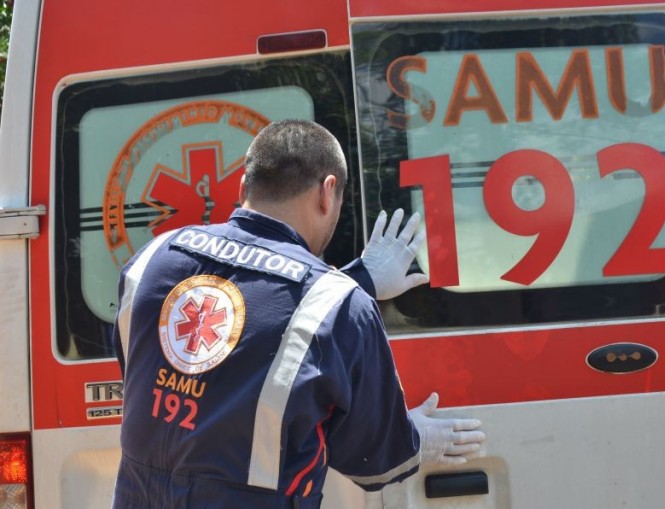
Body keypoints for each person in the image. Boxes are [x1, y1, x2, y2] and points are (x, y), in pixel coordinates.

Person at [111, 119, 485, 509]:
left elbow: (166, 368)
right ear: (327, 193)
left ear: (243, 187)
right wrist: (414, 440)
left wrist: (357, 282)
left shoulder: (153, 259)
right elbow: (374, 462)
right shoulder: (341, 308)